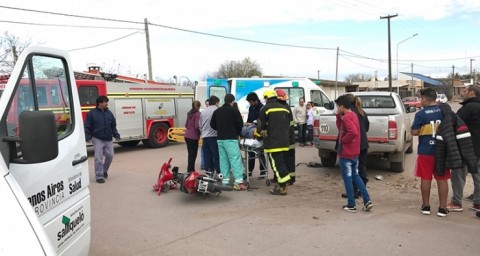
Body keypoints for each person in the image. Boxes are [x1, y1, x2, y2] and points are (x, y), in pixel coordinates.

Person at [411, 88, 450, 217]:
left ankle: (426, 206)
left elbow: (414, 132)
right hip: (442, 151)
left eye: (420, 98)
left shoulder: (420, 114)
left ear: (424, 99)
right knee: (442, 179)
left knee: (426, 178)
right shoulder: (444, 111)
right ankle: (443, 208)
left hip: (426, 151)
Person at [335, 95, 373, 213]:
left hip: (346, 152)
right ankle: (367, 200)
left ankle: (351, 204)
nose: (336, 108)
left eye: (337, 107)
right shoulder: (354, 115)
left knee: (348, 178)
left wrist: (343, 140)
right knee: (356, 176)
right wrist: (338, 117)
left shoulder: (347, 117)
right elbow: (342, 128)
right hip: (355, 152)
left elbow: (353, 132)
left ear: (342, 106)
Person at [449, 84, 480, 214]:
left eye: (465, 91)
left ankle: (456, 202)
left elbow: (455, 124)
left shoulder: (468, 108)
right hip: (478, 149)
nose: (463, 93)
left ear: (472, 93)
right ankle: (478, 203)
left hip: (466, 148)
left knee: (458, 174)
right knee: (478, 175)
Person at [255, 89, 291, 195]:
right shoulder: (285, 108)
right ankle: (284, 183)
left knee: (276, 164)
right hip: (284, 141)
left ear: (267, 98)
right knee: (281, 162)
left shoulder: (265, 108)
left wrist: (257, 135)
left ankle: (282, 187)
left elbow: (260, 124)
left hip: (273, 143)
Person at [210, 94, 246, 190]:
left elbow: (212, 124)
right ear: (232, 101)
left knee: (223, 160)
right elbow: (240, 124)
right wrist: (236, 132)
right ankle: (238, 182)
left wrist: (220, 129)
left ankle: (225, 181)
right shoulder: (234, 111)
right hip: (231, 138)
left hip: (220, 139)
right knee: (235, 159)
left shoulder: (217, 111)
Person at [84, 95, 120, 184]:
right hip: (97, 138)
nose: (107, 103)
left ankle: (104, 170)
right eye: (105, 102)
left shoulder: (109, 113)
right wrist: (87, 136)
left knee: (110, 156)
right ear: (100, 103)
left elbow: (113, 125)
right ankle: (99, 176)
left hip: (108, 138)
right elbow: (87, 126)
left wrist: (116, 134)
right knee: (99, 158)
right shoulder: (92, 113)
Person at [341, 94, 369, 199]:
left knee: (352, 171)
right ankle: (362, 190)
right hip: (363, 144)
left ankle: (353, 192)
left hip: (354, 145)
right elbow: (366, 127)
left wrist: (343, 140)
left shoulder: (349, 114)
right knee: (361, 168)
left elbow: (349, 131)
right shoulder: (361, 112)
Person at [276, 89, 296, 185]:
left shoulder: (283, 108)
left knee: (287, 160)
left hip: (287, 138)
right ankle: (289, 178)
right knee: (287, 159)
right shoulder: (286, 107)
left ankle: (290, 179)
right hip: (289, 137)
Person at [246, 92, 267, 179]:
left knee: (260, 153)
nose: (250, 104)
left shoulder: (262, 108)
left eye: (251, 102)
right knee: (251, 153)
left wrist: (253, 123)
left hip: (259, 133)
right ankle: (249, 171)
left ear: (255, 100)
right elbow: (249, 119)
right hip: (251, 133)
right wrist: (247, 123)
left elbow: (261, 121)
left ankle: (263, 171)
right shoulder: (251, 107)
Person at [199, 96, 220, 176]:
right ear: (216, 102)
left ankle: (208, 172)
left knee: (207, 156)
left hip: (205, 137)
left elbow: (200, 125)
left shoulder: (203, 112)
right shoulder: (217, 110)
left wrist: (203, 133)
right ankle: (218, 172)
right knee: (216, 155)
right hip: (214, 136)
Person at [185, 100, 201, 172]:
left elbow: (186, 125)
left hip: (187, 135)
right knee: (193, 154)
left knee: (190, 154)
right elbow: (197, 126)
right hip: (193, 136)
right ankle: (191, 170)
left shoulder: (189, 113)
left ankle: (190, 169)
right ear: (198, 106)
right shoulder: (197, 114)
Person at [200, 99, 210, 170]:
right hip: (205, 134)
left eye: (208, 104)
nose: (207, 105)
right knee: (204, 150)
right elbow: (200, 124)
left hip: (209, 134)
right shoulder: (203, 112)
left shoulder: (213, 112)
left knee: (206, 150)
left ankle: (206, 164)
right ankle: (203, 164)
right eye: (206, 104)